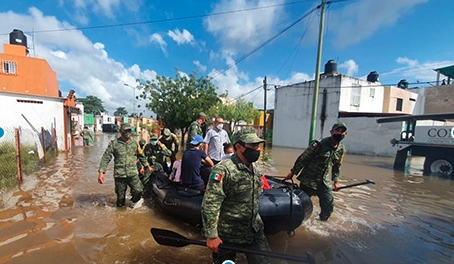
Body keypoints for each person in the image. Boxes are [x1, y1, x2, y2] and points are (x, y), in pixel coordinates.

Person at [201, 127, 272, 264]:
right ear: (239, 147)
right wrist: (211, 235)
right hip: (228, 234)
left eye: (258, 145)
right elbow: (211, 202)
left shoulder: (254, 169)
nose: (257, 149)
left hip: (254, 231)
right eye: (253, 145)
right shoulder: (223, 169)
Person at [285, 122, 348, 221]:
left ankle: (321, 222)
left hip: (324, 182)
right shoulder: (319, 144)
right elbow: (303, 158)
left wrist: (336, 181)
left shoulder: (341, 149)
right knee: (301, 204)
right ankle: (299, 222)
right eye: (337, 131)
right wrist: (293, 172)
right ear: (331, 132)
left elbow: (337, 166)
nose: (339, 133)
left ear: (345, 134)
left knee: (328, 205)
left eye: (342, 132)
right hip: (308, 179)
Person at [98, 123, 152, 208]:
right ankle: (119, 216)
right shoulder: (114, 144)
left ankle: (133, 202)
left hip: (133, 173)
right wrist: (101, 172)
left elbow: (141, 156)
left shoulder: (135, 143)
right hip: (119, 174)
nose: (128, 132)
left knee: (139, 190)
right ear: (121, 131)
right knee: (120, 198)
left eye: (129, 130)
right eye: (126, 131)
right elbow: (106, 158)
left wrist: (147, 166)